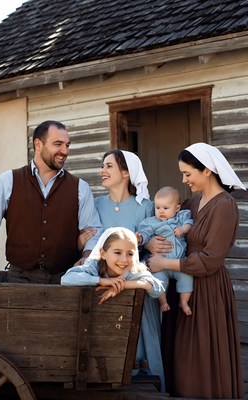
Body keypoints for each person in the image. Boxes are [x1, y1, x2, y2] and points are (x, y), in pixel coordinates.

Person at [0, 120, 102, 284]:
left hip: (64, 278)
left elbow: (93, 232)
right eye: (58, 144)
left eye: (67, 145)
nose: (65, 151)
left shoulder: (80, 188)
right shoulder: (8, 181)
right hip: (19, 278)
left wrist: (86, 258)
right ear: (38, 144)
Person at [148, 142, 245, 399]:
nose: (184, 180)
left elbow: (210, 259)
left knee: (201, 357)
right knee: (180, 355)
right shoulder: (192, 202)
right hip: (182, 284)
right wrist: (149, 242)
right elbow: (161, 222)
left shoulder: (224, 205)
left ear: (207, 171)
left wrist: (165, 264)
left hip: (208, 289)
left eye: (188, 174)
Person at [92, 149, 165, 392]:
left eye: (109, 166)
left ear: (126, 172)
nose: (103, 171)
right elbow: (89, 242)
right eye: (102, 166)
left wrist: (150, 242)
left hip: (139, 291)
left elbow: (159, 238)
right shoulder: (95, 205)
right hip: (102, 287)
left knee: (144, 347)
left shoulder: (146, 207)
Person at [61, 227, 165, 306]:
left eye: (130, 254)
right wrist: (102, 281)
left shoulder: (134, 271)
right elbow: (66, 279)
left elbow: (158, 289)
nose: (124, 259)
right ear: (103, 253)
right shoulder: (94, 266)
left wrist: (122, 285)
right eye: (118, 252)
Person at [136, 186, 194, 315]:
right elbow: (145, 233)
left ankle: (183, 302)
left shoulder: (180, 218)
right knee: (158, 282)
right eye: (158, 208)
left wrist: (183, 229)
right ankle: (163, 302)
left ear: (177, 208)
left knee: (187, 278)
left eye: (165, 208)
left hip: (178, 263)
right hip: (159, 266)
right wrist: (140, 238)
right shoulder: (151, 222)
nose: (161, 211)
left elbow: (189, 223)